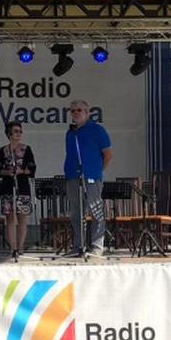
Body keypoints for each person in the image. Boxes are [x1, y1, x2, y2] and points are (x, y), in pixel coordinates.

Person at [64, 99, 113, 257]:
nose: (76, 113)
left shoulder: (97, 130)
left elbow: (108, 155)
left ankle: (97, 247)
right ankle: (79, 246)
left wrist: (97, 171)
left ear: (87, 112)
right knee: (76, 213)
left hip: (92, 177)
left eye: (79, 110)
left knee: (96, 211)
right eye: (73, 111)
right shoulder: (71, 132)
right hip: (73, 177)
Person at [0, 122, 36, 257]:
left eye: (20, 131)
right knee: (10, 218)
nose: (19, 133)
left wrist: (21, 171)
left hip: (22, 186)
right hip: (7, 186)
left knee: (22, 218)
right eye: (16, 131)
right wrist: (8, 172)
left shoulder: (26, 149)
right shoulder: (3, 151)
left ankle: (21, 246)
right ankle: (12, 247)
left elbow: (32, 168)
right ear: (9, 134)